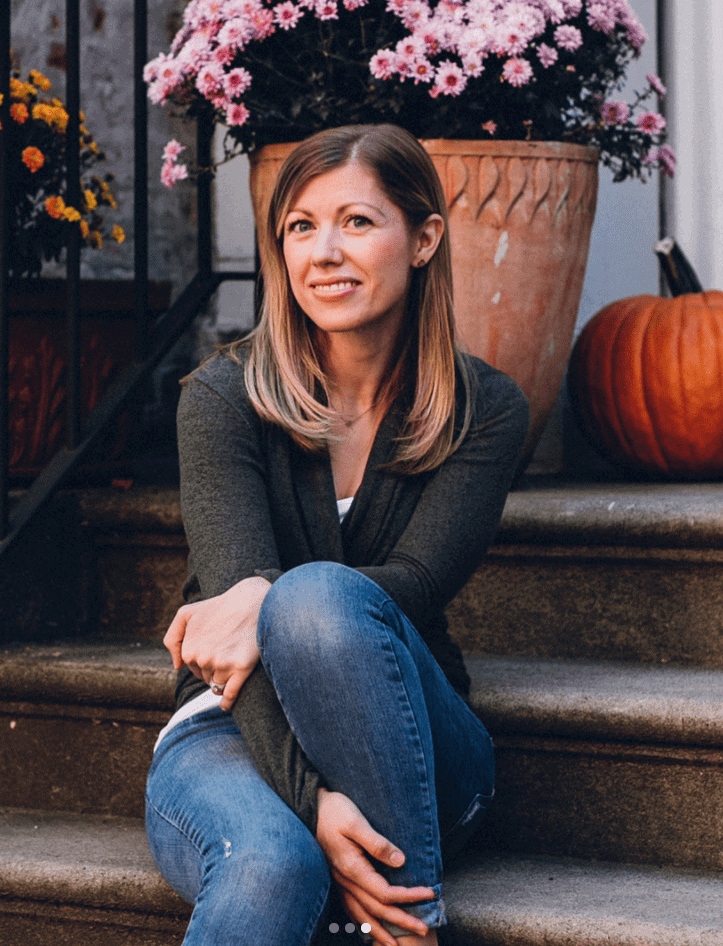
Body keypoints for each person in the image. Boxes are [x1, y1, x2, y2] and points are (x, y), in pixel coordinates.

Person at [145, 123, 529, 946]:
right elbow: (227, 644)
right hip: (229, 728)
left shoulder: (484, 409)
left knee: (314, 599)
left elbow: (417, 587)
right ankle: (411, 925)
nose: (323, 252)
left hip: (407, 739)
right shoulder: (221, 398)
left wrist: (263, 603)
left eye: (356, 222)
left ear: (424, 239)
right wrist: (311, 804)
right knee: (273, 865)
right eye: (300, 227)